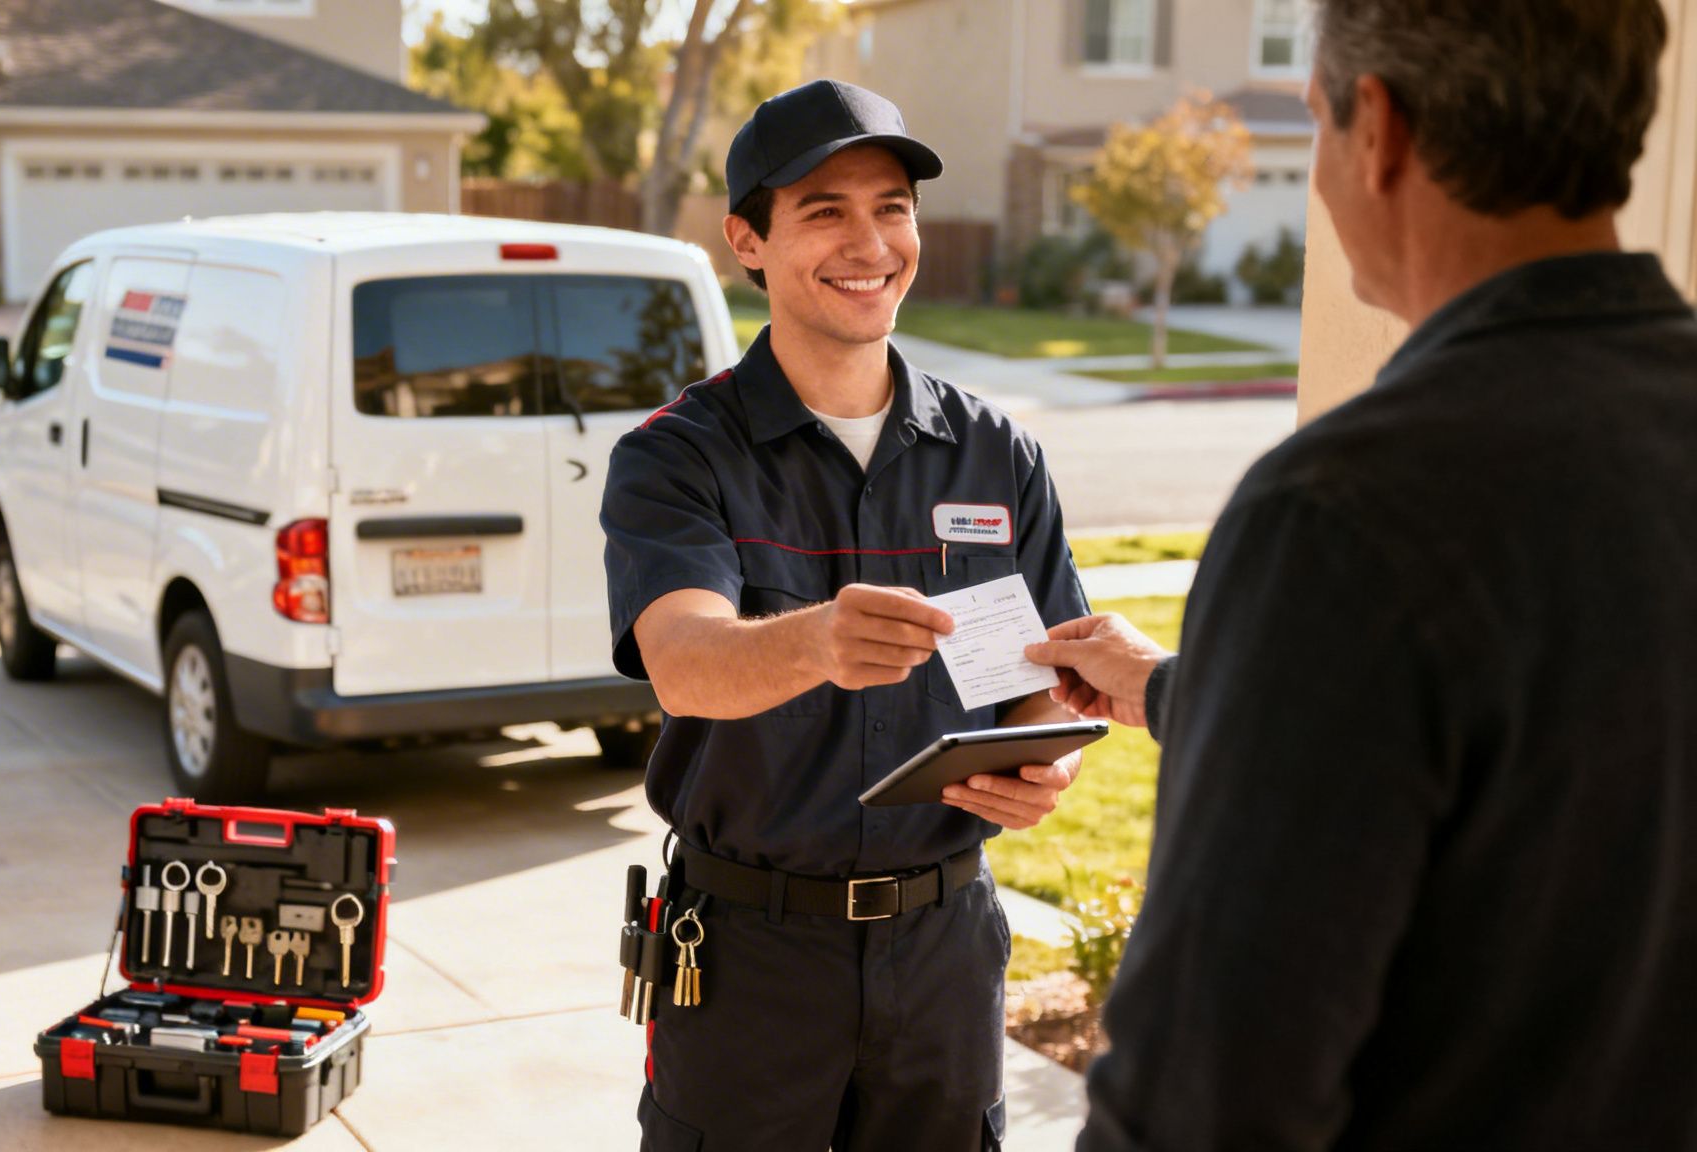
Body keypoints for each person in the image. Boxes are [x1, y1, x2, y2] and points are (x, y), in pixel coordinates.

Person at [1021, 2, 1697, 1147]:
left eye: (1315, 120)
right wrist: (1177, 690)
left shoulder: (1339, 517)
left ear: (1373, 128)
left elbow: (1202, 1102)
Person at [601, 79, 1091, 1150]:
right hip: (744, 962)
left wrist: (1040, 763)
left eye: (892, 206)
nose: (868, 241)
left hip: (944, 955)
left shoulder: (995, 454)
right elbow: (684, 661)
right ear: (747, 240)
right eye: (823, 209)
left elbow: (1041, 680)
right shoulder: (677, 457)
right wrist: (817, 638)